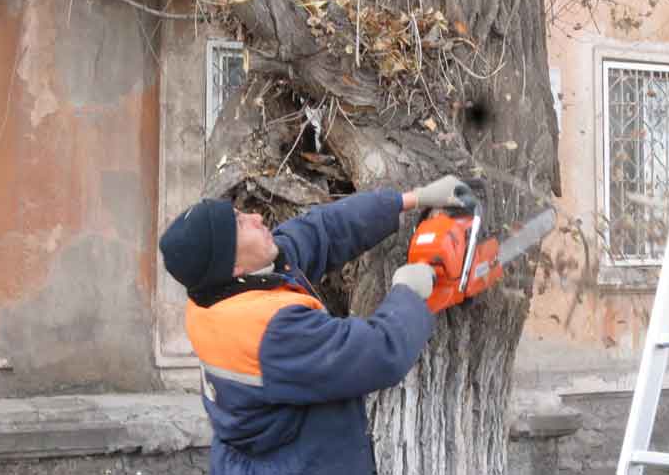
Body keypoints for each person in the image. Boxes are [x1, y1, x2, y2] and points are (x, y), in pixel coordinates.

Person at [159, 175, 473, 475]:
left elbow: (319, 230)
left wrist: (410, 199)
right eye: (241, 224)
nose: (256, 217)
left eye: (241, 213)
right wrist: (409, 292)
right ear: (234, 265)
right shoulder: (268, 331)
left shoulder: (216, 294)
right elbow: (379, 354)